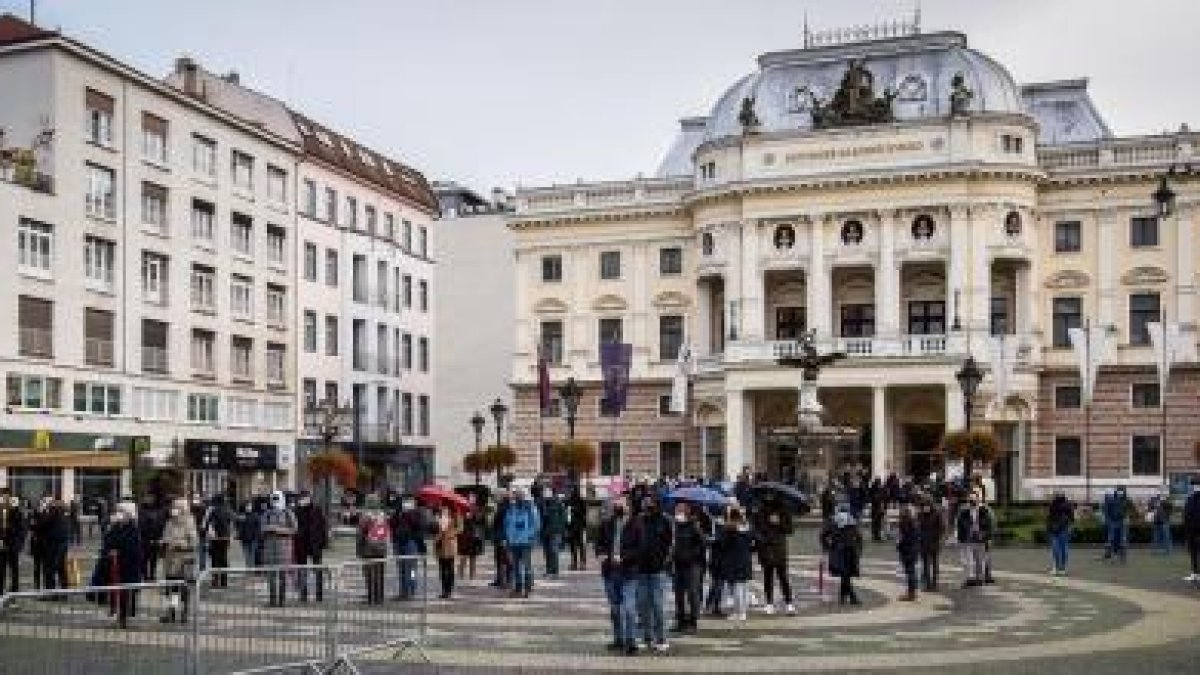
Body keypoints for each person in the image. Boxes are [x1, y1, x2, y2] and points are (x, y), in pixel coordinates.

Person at [622, 495, 673, 650]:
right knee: (642, 606)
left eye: (650, 503)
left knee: (657, 606)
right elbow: (629, 541)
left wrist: (665, 562)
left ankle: (661, 638)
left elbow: (670, 543)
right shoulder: (638, 520)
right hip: (641, 569)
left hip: (658, 570)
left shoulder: (664, 521)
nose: (647, 506)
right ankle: (646, 637)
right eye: (645, 503)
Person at [596, 497, 637, 655]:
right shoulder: (606, 524)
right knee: (614, 609)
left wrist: (624, 557)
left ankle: (631, 641)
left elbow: (640, 548)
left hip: (628, 573)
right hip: (610, 572)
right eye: (616, 506)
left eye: (622, 505)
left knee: (629, 609)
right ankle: (618, 639)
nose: (619, 508)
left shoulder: (635, 525)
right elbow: (599, 544)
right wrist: (601, 554)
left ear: (628, 507)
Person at [101, 500, 142, 628]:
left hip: (127, 566)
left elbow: (133, 548)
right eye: (118, 511)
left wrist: (119, 552)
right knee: (114, 590)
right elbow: (107, 541)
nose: (118, 514)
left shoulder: (133, 529)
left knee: (125, 593)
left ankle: (123, 617)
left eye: (121, 512)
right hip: (114, 565)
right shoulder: (115, 527)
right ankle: (115, 613)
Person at [752, 492, 795, 615]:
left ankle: (789, 603)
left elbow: (790, 529)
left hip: (779, 547)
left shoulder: (783, 509)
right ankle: (769, 603)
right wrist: (760, 537)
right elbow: (755, 528)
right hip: (765, 546)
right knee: (768, 576)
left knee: (783, 576)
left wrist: (778, 522)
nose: (768, 496)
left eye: (771, 494)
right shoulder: (760, 509)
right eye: (767, 494)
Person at [160, 498, 198, 623]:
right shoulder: (170, 522)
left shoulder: (189, 522)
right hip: (170, 560)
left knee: (184, 588)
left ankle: (184, 612)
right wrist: (164, 542)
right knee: (172, 588)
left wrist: (181, 544)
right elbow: (165, 536)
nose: (174, 510)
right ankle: (172, 611)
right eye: (173, 507)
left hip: (184, 560)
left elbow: (193, 542)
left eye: (176, 507)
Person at [670, 502, 706, 633]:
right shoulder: (674, 526)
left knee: (692, 593)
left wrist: (691, 555)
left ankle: (693, 622)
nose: (678, 512)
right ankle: (680, 621)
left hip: (692, 565)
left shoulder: (694, 526)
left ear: (687, 512)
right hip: (677, 564)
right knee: (678, 594)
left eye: (681, 510)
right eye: (677, 509)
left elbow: (702, 544)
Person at [259, 491, 297, 607]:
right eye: (273, 498)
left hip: (284, 549)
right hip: (270, 549)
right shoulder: (267, 513)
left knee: (282, 577)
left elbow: (294, 529)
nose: (275, 501)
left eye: (277, 498)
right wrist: (268, 529)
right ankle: (272, 600)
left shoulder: (288, 513)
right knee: (271, 577)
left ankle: (282, 600)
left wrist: (279, 530)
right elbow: (261, 528)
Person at [718, 506, 754, 622]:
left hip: (734, 561)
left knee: (737, 588)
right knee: (742, 587)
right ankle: (741, 611)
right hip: (744, 560)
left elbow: (723, 544)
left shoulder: (730, 530)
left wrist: (726, 529)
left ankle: (740, 612)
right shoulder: (747, 529)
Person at [504, 487, 541, 598]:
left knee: (527, 566)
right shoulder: (511, 508)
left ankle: (528, 588)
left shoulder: (530, 508)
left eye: (519, 495)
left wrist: (530, 536)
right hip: (514, 542)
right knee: (516, 567)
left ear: (524, 496)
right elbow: (507, 523)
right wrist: (508, 538)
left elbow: (536, 524)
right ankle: (518, 589)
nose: (517, 497)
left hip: (526, 542)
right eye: (516, 495)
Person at [294, 491, 329, 602]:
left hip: (315, 544)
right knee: (302, 569)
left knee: (317, 569)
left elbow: (323, 527)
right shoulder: (297, 511)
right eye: (301, 498)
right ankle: (303, 593)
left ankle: (319, 594)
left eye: (305, 498)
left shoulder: (316, 510)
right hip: (301, 544)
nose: (303, 500)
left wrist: (323, 543)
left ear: (309, 498)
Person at [390, 495, 427, 600]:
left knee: (411, 569)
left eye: (409, 501)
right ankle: (403, 591)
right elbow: (392, 524)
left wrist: (409, 514)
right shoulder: (398, 512)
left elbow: (419, 526)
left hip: (411, 543)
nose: (406, 503)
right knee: (401, 569)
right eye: (405, 501)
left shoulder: (417, 513)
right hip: (398, 543)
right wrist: (397, 514)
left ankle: (412, 589)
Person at [955, 492, 994, 587]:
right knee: (968, 560)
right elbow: (959, 526)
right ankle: (970, 578)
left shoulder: (984, 511)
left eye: (974, 500)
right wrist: (960, 539)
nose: (972, 502)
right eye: (970, 500)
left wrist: (987, 537)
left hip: (980, 539)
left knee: (980, 559)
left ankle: (979, 578)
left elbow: (989, 526)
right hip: (968, 540)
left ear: (978, 500)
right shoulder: (963, 512)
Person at [357, 494, 390, 605]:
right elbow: (386, 533)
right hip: (381, 549)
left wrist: (359, 549)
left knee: (369, 574)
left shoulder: (365, 517)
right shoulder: (383, 515)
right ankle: (379, 597)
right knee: (380, 574)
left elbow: (361, 534)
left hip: (368, 549)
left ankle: (371, 598)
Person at [825, 509, 862, 605]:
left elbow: (823, 535)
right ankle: (852, 597)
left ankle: (843, 597)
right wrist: (858, 549)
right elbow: (858, 537)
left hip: (841, 551)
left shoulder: (833, 521)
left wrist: (828, 547)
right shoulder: (851, 521)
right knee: (846, 574)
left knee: (845, 575)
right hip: (847, 551)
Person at [200, 494, 233, 588]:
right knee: (224, 559)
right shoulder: (227, 510)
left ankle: (215, 581)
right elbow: (232, 521)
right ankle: (224, 581)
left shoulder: (211, 510)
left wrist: (204, 533)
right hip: (225, 538)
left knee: (215, 560)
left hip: (214, 539)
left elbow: (204, 524)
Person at [39, 496, 70, 592]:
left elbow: (43, 524)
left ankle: (50, 592)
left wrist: (42, 512)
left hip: (53, 544)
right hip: (62, 542)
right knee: (61, 568)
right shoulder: (63, 512)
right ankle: (64, 591)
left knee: (50, 569)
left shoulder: (53, 511)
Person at [0, 488, 26, 594]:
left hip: (13, 544)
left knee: (14, 569)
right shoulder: (0, 510)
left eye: (6, 496)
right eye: (2, 496)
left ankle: (14, 590)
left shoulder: (16, 511)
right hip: (2, 544)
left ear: (10, 497)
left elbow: (21, 529)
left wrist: (19, 545)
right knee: (1, 568)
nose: (4, 498)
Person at [916, 497, 945, 591]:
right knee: (925, 564)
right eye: (924, 506)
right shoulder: (920, 515)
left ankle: (935, 583)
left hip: (934, 542)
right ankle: (927, 584)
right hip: (923, 542)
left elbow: (941, 528)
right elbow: (918, 527)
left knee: (934, 564)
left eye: (927, 506)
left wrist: (938, 538)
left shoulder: (937, 514)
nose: (925, 508)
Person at [434, 507, 462, 599]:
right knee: (442, 569)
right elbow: (434, 530)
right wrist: (437, 524)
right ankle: (444, 590)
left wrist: (448, 532)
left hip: (450, 545)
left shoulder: (456, 515)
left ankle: (449, 590)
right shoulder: (439, 515)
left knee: (450, 569)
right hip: (440, 545)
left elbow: (460, 528)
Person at [1046, 491, 1075, 576]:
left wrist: (1049, 528)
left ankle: (1057, 567)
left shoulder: (1054, 505)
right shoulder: (1067, 505)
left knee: (1057, 549)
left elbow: (1049, 518)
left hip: (1056, 529)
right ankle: (1061, 568)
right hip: (1062, 529)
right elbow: (1071, 518)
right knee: (1062, 548)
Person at [457, 496, 485, 581]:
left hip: (474, 538)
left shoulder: (478, 510)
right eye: (470, 499)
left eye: (473, 500)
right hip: (464, 537)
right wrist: (465, 517)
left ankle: (472, 577)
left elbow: (481, 521)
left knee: (473, 558)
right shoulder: (463, 509)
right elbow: (459, 521)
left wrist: (474, 515)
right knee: (463, 557)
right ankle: (460, 576)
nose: (471, 501)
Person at [540, 491, 567, 578]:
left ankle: (555, 571)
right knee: (547, 551)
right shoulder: (542, 504)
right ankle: (549, 570)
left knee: (554, 551)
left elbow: (564, 518)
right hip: (545, 531)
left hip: (555, 531)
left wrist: (561, 530)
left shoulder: (558, 504)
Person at [896, 504, 920, 601]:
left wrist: (899, 544)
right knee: (911, 571)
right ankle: (912, 591)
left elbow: (903, 538)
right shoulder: (913, 523)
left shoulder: (905, 523)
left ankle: (911, 593)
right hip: (912, 549)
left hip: (908, 550)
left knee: (910, 572)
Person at [489, 489, 511, 589]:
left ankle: (506, 580)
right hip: (499, 536)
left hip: (503, 536)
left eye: (495, 496)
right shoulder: (500, 506)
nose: (494, 498)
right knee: (499, 558)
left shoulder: (506, 507)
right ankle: (500, 579)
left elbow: (504, 523)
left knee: (505, 559)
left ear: (501, 496)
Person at [1101, 487, 1130, 563]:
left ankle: (1121, 557)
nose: (1121, 493)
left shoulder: (1125, 500)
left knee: (1121, 539)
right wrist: (1108, 520)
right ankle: (1111, 555)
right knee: (1112, 538)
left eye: (1122, 491)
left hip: (1121, 521)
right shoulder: (1112, 500)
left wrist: (1126, 517)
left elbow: (1127, 510)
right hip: (1113, 521)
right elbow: (1107, 510)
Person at [139, 498, 165, 581]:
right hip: (152, 540)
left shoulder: (141, 514)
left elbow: (141, 528)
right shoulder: (157, 514)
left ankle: (147, 575)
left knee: (146, 559)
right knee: (152, 559)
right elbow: (160, 527)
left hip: (146, 540)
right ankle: (151, 575)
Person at [235, 499, 262, 568]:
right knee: (246, 555)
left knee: (252, 555)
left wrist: (257, 536)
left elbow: (258, 528)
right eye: (247, 506)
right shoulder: (242, 516)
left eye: (249, 506)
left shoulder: (255, 516)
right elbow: (238, 526)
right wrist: (239, 535)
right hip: (244, 538)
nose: (248, 507)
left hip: (253, 538)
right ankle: (248, 568)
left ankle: (251, 569)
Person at [566, 488, 588, 571]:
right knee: (581, 545)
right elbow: (584, 513)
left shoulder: (569, 503)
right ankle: (582, 563)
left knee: (573, 545)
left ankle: (575, 563)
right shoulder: (582, 501)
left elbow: (567, 516)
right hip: (580, 526)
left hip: (573, 526)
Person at [1183, 479, 1200, 583]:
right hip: (1191, 530)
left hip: (1197, 529)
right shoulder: (1190, 498)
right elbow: (1187, 514)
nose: (1195, 487)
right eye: (1194, 485)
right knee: (1193, 552)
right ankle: (1194, 573)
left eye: (1197, 485)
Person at [1149, 491, 1173, 555]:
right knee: (1156, 537)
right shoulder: (1154, 500)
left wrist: (1166, 514)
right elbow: (1150, 508)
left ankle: (1168, 550)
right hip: (1157, 521)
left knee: (1165, 537)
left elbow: (1170, 509)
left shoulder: (1166, 502)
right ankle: (1155, 551)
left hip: (1164, 521)